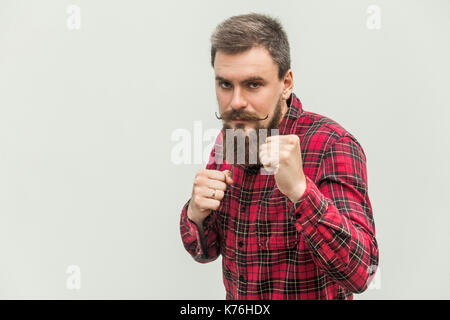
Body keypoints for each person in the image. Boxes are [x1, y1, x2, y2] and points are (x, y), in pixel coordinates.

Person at [179, 13, 379, 300]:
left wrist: (301, 191)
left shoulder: (332, 144)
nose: (235, 102)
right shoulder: (230, 138)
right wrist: (196, 214)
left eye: (253, 85)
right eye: (225, 85)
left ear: (286, 83)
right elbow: (206, 251)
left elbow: (362, 273)